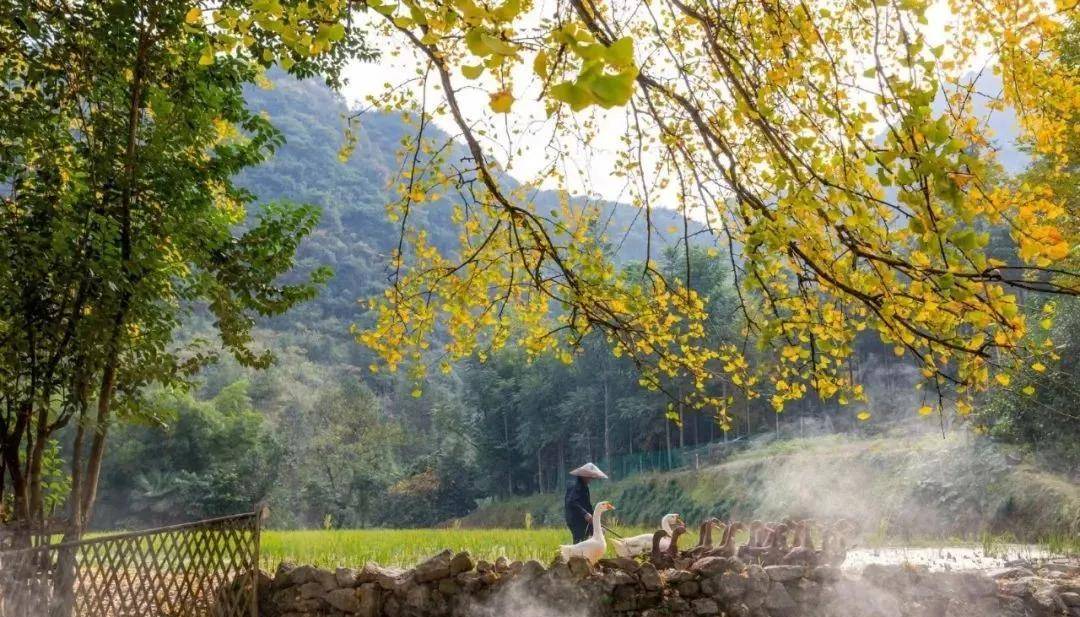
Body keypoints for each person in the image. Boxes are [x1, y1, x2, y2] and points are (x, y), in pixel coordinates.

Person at [564, 462, 608, 543]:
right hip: (576, 519)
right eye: (589, 477)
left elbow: (587, 505)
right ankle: (574, 555)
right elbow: (571, 502)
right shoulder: (575, 486)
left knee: (596, 534)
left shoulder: (585, 487)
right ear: (583, 475)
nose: (590, 479)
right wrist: (585, 513)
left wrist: (595, 520)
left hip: (584, 519)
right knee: (579, 541)